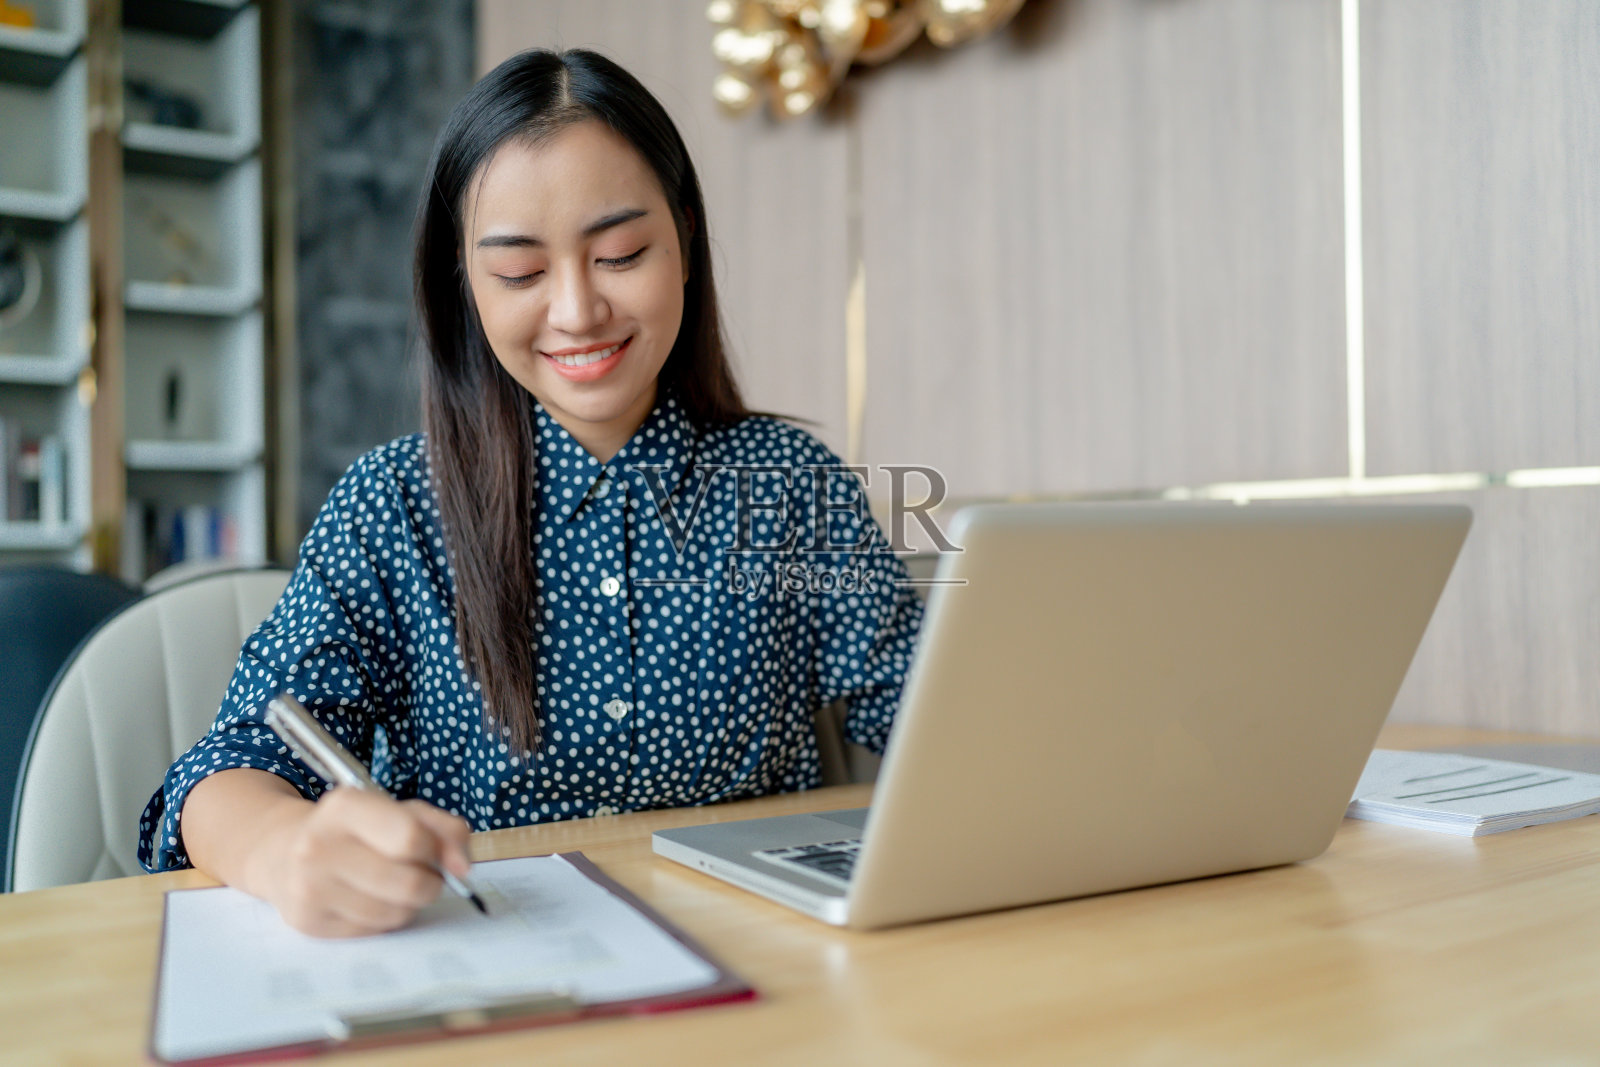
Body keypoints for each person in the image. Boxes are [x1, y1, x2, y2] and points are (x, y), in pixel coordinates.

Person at [137, 47, 924, 938]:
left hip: (770, 961)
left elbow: (935, 715)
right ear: (464, 283)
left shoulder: (790, 484)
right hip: (500, 955)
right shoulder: (395, 506)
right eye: (519, 272)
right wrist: (284, 848)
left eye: (621, 253)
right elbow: (230, 768)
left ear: (686, 240)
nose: (579, 310)